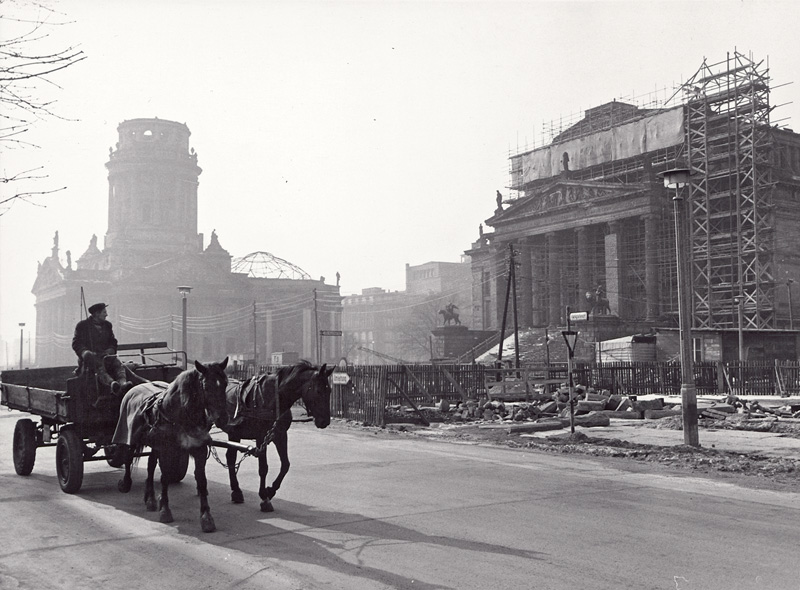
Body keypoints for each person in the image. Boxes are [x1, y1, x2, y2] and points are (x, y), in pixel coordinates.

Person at [72, 302, 129, 395]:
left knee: (118, 364)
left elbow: (113, 341)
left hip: (106, 356)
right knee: (98, 366)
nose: (106, 314)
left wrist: (111, 349)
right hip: (90, 358)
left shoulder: (108, 325)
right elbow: (76, 343)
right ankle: (112, 383)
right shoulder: (82, 326)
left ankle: (123, 383)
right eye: (104, 312)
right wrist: (85, 352)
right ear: (97, 314)